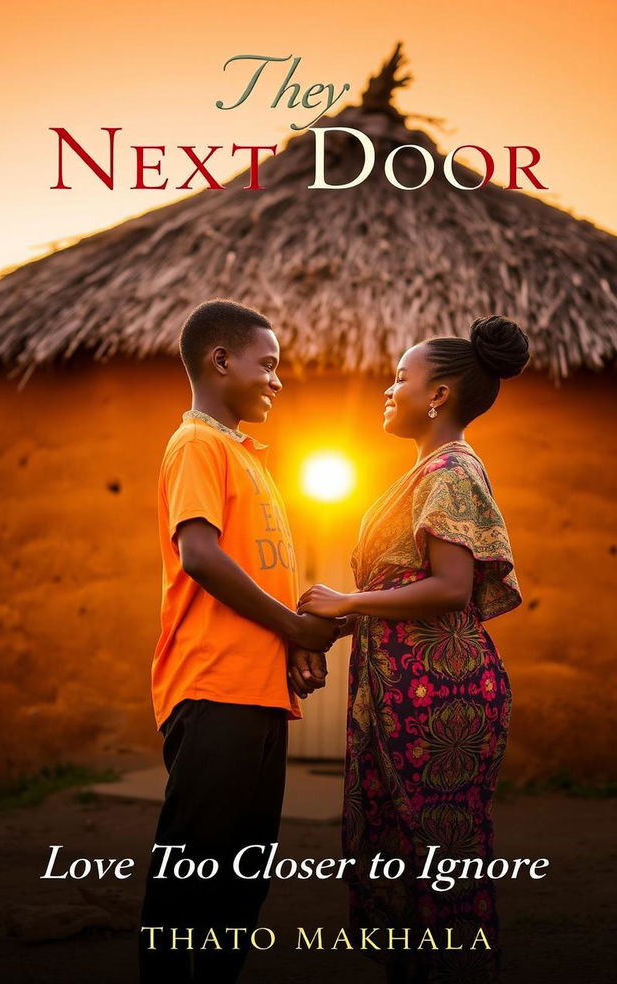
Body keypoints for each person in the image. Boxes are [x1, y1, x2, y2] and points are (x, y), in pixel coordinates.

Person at [298, 316, 530, 984]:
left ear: (440, 395)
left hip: (441, 697)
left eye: (402, 377)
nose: (388, 389)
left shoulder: (452, 472)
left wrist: (346, 604)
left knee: (439, 857)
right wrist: (334, 621)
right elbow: (398, 583)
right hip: (405, 688)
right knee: (402, 852)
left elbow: (450, 588)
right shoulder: (430, 470)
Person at [139, 299, 337, 983]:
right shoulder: (198, 444)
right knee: (191, 881)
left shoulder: (249, 458)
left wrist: (296, 646)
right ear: (221, 362)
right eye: (269, 364)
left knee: (239, 881)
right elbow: (200, 555)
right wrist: (293, 627)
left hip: (257, 691)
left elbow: (262, 575)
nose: (278, 380)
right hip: (213, 686)